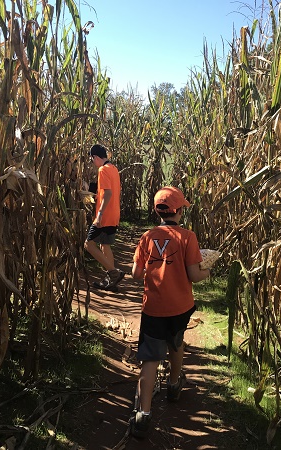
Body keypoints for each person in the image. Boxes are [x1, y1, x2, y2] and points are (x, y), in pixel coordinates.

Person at [129, 186, 211, 438]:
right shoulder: (188, 237)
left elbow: (135, 274)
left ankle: (143, 414)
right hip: (179, 307)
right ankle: (174, 385)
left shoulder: (147, 237)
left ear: (157, 211)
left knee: (150, 358)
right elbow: (194, 275)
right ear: (179, 211)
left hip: (153, 307)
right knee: (176, 343)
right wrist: (209, 269)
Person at [84, 144, 125, 290]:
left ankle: (114, 272)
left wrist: (99, 215)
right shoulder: (114, 169)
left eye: (92, 160)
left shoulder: (103, 170)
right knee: (105, 245)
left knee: (88, 244)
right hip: (114, 214)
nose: (93, 163)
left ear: (95, 157)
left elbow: (108, 193)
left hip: (105, 216)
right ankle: (112, 282)